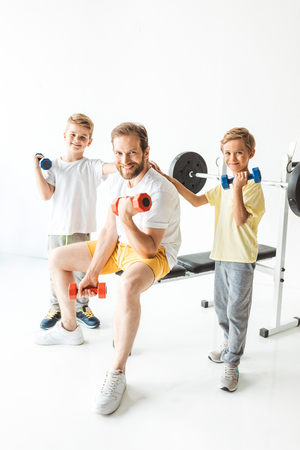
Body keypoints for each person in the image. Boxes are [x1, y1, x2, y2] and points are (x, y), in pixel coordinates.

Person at [34, 122, 181, 414]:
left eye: (132, 153)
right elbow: (109, 232)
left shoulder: (160, 189)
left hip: (155, 252)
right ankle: (69, 327)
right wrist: (90, 274)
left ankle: (117, 372)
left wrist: (127, 218)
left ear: (146, 152)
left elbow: (149, 248)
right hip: (122, 245)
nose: (125, 161)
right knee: (57, 258)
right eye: (119, 153)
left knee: (126, 285)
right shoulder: (116, 180)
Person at [160, 127, 265, 392]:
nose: (233, 158)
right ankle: (230, 343)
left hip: (241, 258)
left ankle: (232, 361)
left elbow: (241, 220)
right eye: (228, 153)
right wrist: (171, 180)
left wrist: (238, 189)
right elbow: (196, 201)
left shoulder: (252, 187)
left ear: (250, 154)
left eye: (239, 152)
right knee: (221, 307)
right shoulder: (224, 186)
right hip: (221, 255)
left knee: (236, 312)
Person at [34, 113, 116, 330]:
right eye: (73, 135)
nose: (77, 140)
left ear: (89, 141)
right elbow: (45, 195)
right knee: (56, 271)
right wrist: (37, 168)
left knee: (82, 272)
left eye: (83, 137)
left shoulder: (91, 166)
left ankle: (81, 307)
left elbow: (111, 167)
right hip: (57, 230)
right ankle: (56, 306)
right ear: (64, 136)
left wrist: (129, 159)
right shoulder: (53, 166)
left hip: (81, 229)